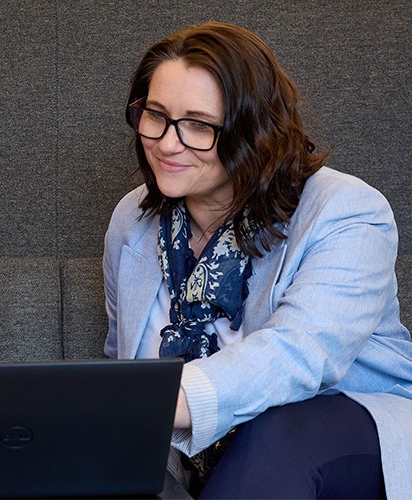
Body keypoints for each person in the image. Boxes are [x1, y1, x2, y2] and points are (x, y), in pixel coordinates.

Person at [103, 21, 412, 498]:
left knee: (275, 432)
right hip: (197, 454)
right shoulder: (133, 219)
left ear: (255, 130)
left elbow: (298, 355)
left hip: (342, 432)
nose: (166, 143)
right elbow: (118, 366)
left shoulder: (346, 209)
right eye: (156, 115)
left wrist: (159, 401)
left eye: (198, 125)